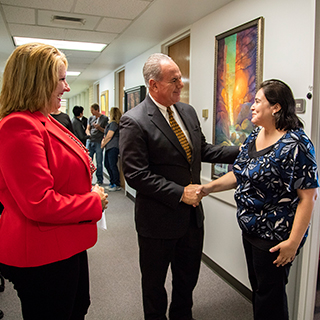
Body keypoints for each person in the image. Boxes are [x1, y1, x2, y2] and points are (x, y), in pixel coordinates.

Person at [119, 53, 239, 320]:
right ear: (153, 85)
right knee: (154, 286)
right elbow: (136, 174)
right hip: (157, 222)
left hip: (191, 221)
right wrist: (179, 192)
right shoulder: (134, 121)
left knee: (187, 281)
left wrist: (245, 152)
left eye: (181, 79)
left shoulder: (187, 111)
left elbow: (202, 150)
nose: (181, 85)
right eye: (174, 80)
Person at [0, 43, 108, 320]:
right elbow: (39, 202)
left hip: (65, 243)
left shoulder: (43, 119)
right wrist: (93, 201)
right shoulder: (19, 125)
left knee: (77, 308)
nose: (67, 87)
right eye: (60, 79)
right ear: (36, 82)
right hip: (42, 253)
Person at [197, 79, 319, 320]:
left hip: (276, 237)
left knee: (270, 299)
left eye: (257, 101)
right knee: (261, 291)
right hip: (250, 230)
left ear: (275, 107)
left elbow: (308, 197)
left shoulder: (296, 144)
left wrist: (293, 243)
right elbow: (239, 174)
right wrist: (206, 189)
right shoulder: (255, 135)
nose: (251, 106)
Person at [86, 103, 109, 185]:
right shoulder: (91, 118)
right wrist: (88, 134)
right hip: (90, 141)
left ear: (97, 110)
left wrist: (99, 128)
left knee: (99, 161)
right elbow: (87, 129)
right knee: (88, 160)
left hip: (98, 142)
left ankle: (99, 179)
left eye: (92, 110)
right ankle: (88, 178)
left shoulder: (104, 118)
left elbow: (106, 131)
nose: (91, 112)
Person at [101, 107, 122, 191]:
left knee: (112, 165)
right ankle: (112, 181)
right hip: (109, 147)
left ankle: (116, 184)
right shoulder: (111, 123)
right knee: (107, 164)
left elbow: (109, 136)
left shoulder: (113, 124)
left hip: (113, 147)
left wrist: (103, 144)